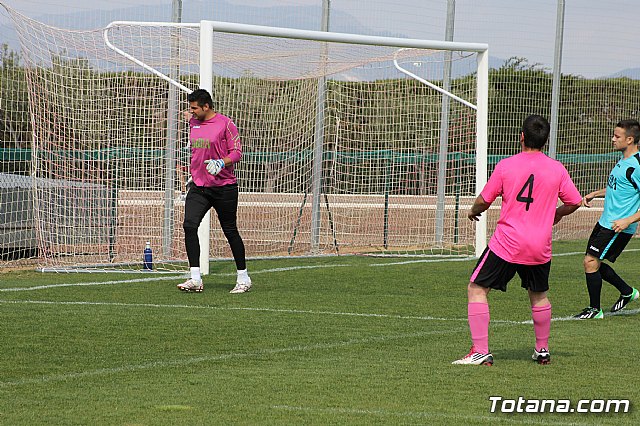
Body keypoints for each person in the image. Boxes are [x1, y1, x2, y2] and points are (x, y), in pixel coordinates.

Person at [452, 114, 582, 366]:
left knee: (477, 288)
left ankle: (480, 351)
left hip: (508, 243)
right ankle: (542, 350)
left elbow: (484, 199)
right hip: (539, 245)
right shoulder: (557, 168)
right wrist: (555, 213)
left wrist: (473, 211)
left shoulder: (506, 165)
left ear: (521, 136)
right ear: (544, 140)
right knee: (539, 294)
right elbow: (575, 201)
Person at [177, 88, 252, 294]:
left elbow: (237, 152)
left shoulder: (225, 124)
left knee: (230, 231)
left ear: (206, 106)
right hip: (199, 187)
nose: (191, 112)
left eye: (194, 108)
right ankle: (195, 278)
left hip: (224, 187)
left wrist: (221, 162)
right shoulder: (193, 122)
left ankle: (243, 278)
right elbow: (192, 128)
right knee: (189, 225)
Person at [574, 119, 640, 319]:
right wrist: (596, 193)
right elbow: (619, 188)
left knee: (590, 262)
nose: (612, 139)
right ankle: (628, 292)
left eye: (617, 136)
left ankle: (595, 309)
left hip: (617, 226)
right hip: (605, 221)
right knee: (593, 263)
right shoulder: (623, 161)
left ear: (630, 139)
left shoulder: (637, 165)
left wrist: (628, 220)